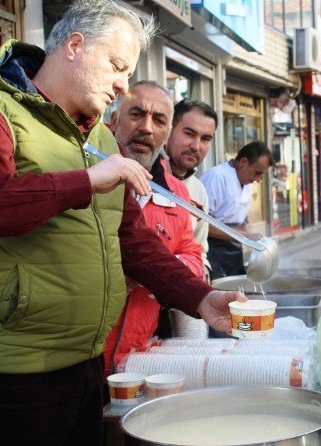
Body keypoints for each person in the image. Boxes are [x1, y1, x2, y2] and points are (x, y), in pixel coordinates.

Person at [0, 1, 244, 444]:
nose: (123, 85)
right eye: (117, 66)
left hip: (83, 366)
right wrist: (84, 182)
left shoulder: (96, 135)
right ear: (75, 46)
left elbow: (132, 241)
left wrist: (200, 296)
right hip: (8, 375)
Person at [103, 81, 206, 377]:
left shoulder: (176, 192)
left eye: (159, 120)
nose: (147, 128)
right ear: (113, 120)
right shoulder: (87, 177)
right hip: (81, 355)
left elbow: (193, 257)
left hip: (137, 358)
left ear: (167, 132)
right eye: (136, 114)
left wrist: (155, 272)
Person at [201, 141, 274, 279]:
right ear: (243, 161)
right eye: (257, 173)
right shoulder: (217, 177)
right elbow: (203, 223)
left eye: (261, 175)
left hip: (233, 249)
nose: (258, 179)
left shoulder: (246, 180)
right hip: (212, 249)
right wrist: (246, 237)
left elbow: (239, 219)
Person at [165, 99, 219, 283]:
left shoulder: (198, 192)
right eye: (189, 134)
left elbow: (199, 249)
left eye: (205, 139)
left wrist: (203, 269)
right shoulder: (143, 176)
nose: (196, 146)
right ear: (169, 130)